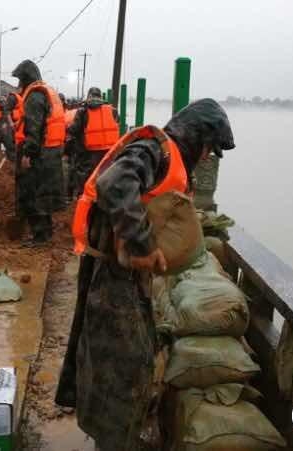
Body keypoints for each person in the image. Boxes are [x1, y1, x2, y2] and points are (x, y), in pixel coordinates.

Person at [56, 99, 236, 451]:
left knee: (120, 356)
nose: (205, 158)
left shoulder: (162, 155)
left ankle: (114, 436)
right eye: (208, 149)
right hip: (112, 276)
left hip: (119, 273)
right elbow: (114, 183)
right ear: (196, 137)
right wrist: (141, 246)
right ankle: (113, 441)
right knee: (123, 363)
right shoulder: (155, 150)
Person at [11, 60, 66, 246]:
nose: (18, 83)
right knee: (44, 195)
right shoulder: (46, 92)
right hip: (52, 152)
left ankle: (39, 236)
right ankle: (45, 233)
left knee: (32, 194)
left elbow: (33, 129)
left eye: (20, 79)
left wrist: (28, 154)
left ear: (26, 78)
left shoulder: (34, 97)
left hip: (39, 154)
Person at [66, 87, 120, 198]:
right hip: (108, 151)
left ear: (89, 96)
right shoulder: (113, 110)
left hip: (88, 151)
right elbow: (116, 125)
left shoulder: (83, 111)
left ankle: (84, 197)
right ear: (100, 96)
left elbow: (75, 129)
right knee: (105, 174)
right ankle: (105, 196)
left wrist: (67, 128)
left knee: (85, 175)